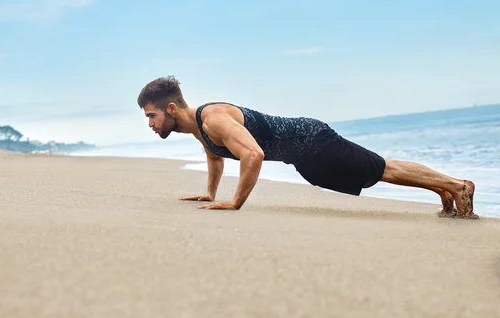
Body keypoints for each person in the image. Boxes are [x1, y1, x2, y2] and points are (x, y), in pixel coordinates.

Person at [136, 76, 478, 219]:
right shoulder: (199, 127)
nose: (149, 124)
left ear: (170, 109)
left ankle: (458, 186)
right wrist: (210, 193)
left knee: (380, 169)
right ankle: (443, 192)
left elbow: (252, 155)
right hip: (303, 159)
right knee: (376, 175)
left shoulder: (213, 118)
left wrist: (236, 203)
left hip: (312, 141)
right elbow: (214, 155)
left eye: (151, 116)